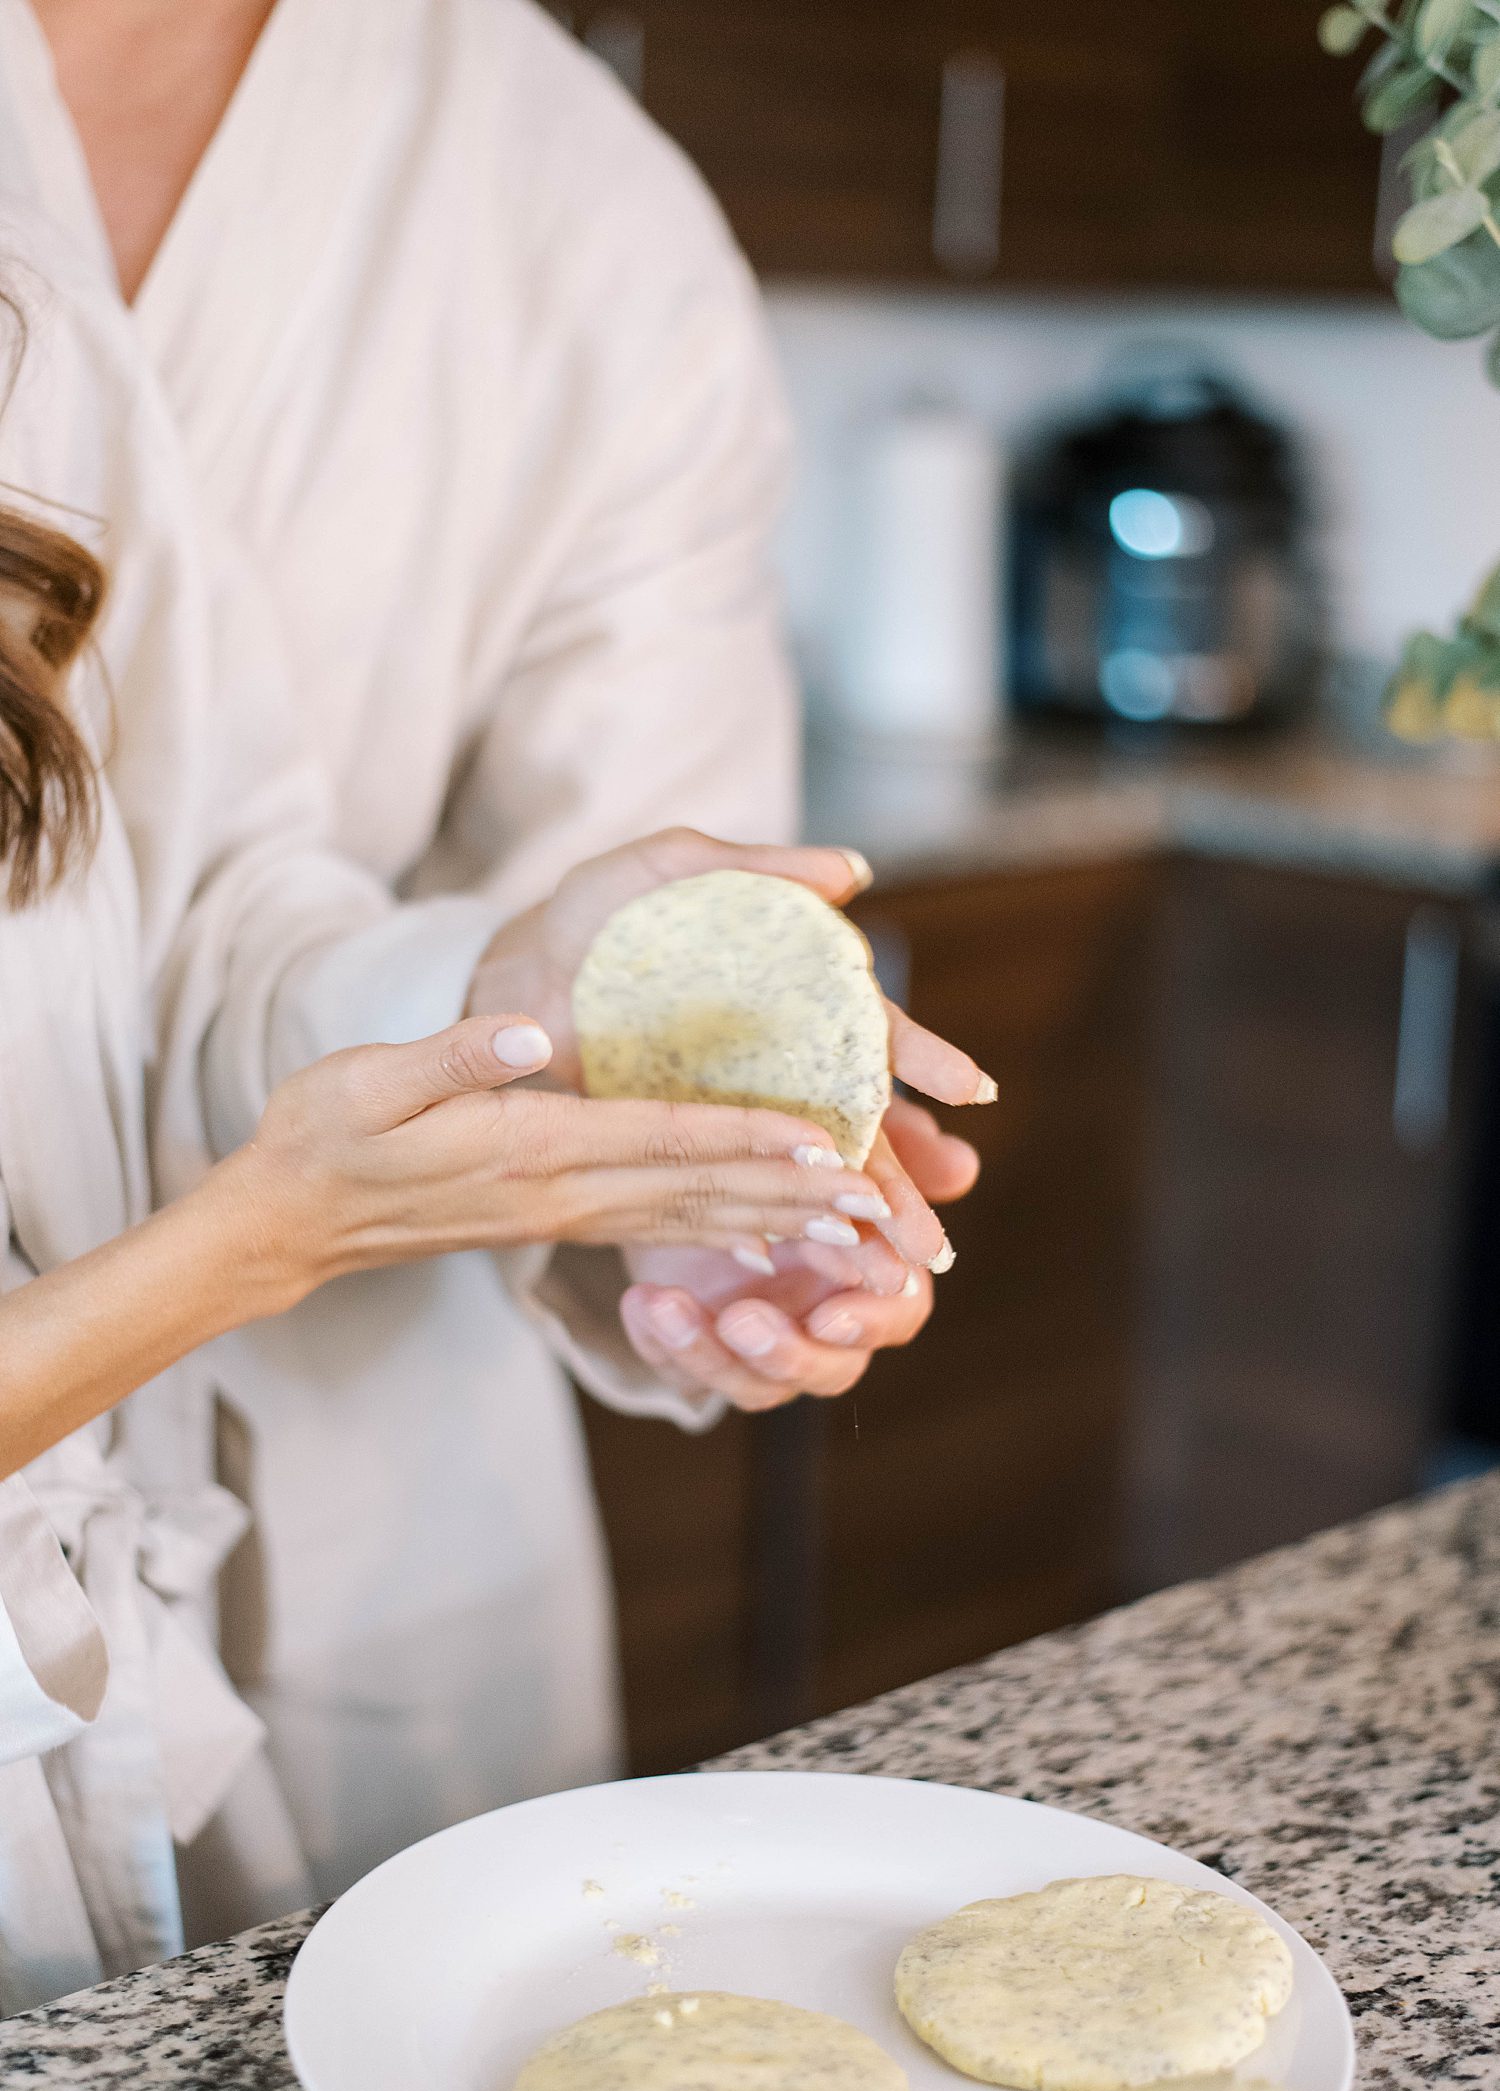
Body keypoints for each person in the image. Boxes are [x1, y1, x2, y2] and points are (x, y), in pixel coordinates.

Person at [0, 0, 986, 1905]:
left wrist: (543, 1048)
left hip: (371, 1482)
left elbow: (199, 907)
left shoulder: (585, 208)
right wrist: (258, 1227)